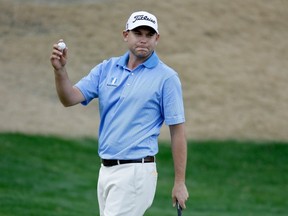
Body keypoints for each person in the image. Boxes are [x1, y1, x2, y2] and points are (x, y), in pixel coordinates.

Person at [50, 11, 189, 216]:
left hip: (136, 172)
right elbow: (69, 98)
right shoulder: (107, 68)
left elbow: (178, 132)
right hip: (105, 171)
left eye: (149, 35)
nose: (143, 40)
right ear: (126, 35)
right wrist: (60, 71)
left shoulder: (166, 78)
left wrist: (180, 183)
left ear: (156, 39)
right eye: (137, 33)